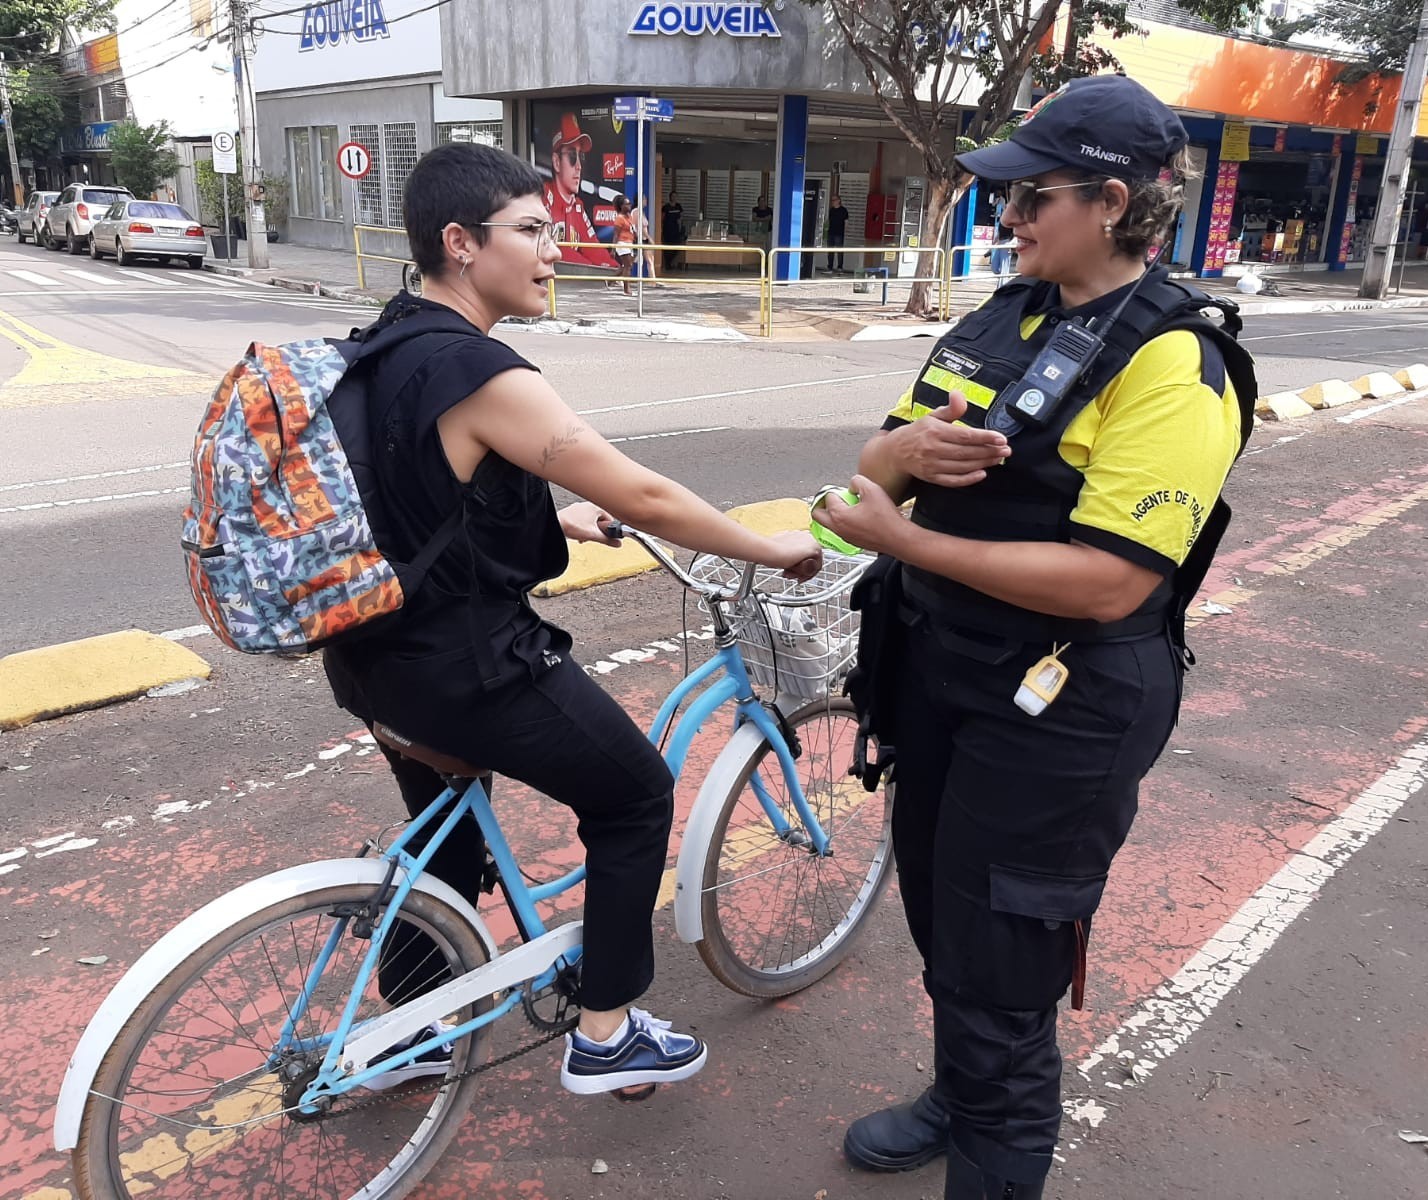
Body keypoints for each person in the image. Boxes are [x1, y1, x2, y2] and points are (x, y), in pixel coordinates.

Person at [815, 75, 1256, 1198]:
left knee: (1004, 964)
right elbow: (875, 464)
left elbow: (1111, 585)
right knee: (941, 911)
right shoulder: (1003, 313)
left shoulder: (1176, 360)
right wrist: (903, 466)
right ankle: (959, 1094)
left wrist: (907, 542)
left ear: (1110, 200)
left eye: (1031, 198)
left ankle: (993, 1133)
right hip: (942, 672)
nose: (1005, 220)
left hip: (1066, 704)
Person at [321, 142, 823, 1099]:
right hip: (465, 667)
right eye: (534, 230)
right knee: (633, 796)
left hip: (370, 658)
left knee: (446, 836)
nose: (558, 249)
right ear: (462, 244)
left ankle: (414, 1030)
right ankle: (607, 1032)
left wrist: (549, 518)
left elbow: (409, 493)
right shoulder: (480, 368)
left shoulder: (383, 341)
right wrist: (774, 548)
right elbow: (643, 491)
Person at [542, 111, 616, 269]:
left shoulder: (577, 206)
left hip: (571, 288)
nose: (579, 166)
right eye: (572, 156)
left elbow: (592, 246)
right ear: (556, 162)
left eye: (580, 157)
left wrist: (614, 268)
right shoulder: (543, 198)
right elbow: (552, 249)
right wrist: (591, 269)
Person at [611, 193, 637, 295]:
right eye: (627, 204)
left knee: (626, 266)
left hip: (630, 243)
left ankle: (609, 280)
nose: (629, 206)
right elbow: (616, 235)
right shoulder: (620, 218)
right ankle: (627, 289)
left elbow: (632, 229)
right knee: (628, 266)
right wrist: (613, 249)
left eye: (630, 204)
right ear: (621, 206)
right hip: (622, 243)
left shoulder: (629, 216)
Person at [661, 191, 685, 269]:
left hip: (676, 230)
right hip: (667, 230)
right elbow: (662, 218)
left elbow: (681, 216)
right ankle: (667, 264)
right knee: (667, 248)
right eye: (672, 196)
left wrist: (680, 222)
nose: (674, 197)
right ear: (670, 197)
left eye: (675, 196)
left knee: (676, 247)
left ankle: (671, 262)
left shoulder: (678, 206)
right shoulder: (666, 207)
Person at [826, 193, 849, 272]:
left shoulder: (843, 210)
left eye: (834, 200)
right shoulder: (831, 210)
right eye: (832, 200)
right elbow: (829, 221)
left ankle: (840, 267)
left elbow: (846, 222)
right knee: (830, 251)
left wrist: (845, 231)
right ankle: (830, 267)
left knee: (839, 251)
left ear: (839, 200)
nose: (833, 201)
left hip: (839, 233)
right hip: (831, 232)